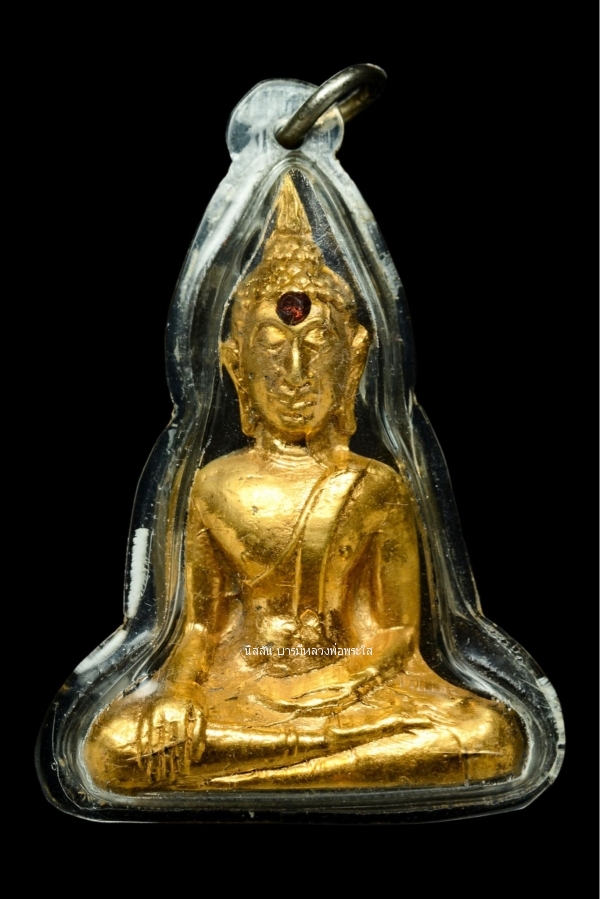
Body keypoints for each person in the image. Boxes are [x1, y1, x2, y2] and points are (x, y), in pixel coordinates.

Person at [84, 174, 524, 791]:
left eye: (318, 347)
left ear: (355, 359)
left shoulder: (376, 485)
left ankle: (257, 771)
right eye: (272, 349)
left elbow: (396, 635)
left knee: (489, 734)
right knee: (113, 745)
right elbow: (201, 629)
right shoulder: (212, 485)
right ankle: (323, 766)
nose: (295, 373)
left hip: (352, 691)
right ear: (237, 366)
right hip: (241, 690)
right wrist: (178, 693)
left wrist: (326, 689)